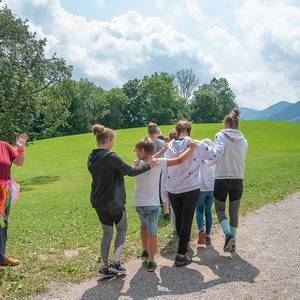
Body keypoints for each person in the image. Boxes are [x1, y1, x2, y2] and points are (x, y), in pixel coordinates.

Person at [87, 124, 158, 278]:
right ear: (108, 139)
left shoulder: (91, 157)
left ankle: (104, 267)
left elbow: (116, 171)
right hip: (114, 202)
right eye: (112, 140)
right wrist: (148, 166)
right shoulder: (110, 157)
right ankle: (116, 263)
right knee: (122, 229)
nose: (113, 143)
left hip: (98, 201)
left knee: (107, 233)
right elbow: (131, 172)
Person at [133, 137, 197, 272]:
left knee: (143, 227)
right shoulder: (158, 163)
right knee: (152, 231)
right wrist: (190, 149)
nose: (136, 153)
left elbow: (149, 160)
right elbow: (179, 160)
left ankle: (145, 252)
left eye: (137, 151)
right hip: (152, 204)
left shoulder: (137, 164)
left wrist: (161, 151)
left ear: (142, 151)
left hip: (138, 203)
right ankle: (151, 261)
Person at [161, 120, 220, 266]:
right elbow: (213, 155)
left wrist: (164, 192)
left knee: (180, 218)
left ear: (177, 130)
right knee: (187, 218)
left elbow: (165, 168)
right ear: (189, 130)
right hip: (190, 187)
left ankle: (184, 246)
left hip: (173, 187)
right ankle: (181, 255)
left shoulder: (169, 146)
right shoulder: (196, 144)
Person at [210, 108, 248, 252]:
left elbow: (216, 154)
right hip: (238, 179)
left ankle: (228, 235)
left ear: (226, 124)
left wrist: (206, 163)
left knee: (220, 210)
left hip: (221, 178)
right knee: (234, 212)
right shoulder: (244, 140)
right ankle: (234, 243)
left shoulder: (220, 135)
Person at [0, 134, 28, 271]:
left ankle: (1, 256)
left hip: (4, 191)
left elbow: (19, 162)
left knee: (2, 223)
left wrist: (20, 149)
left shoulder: (4, 146)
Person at [147, 123, 170, 220]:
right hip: (160, 169)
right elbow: (165, 157)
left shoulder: (146, 143)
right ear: (157, 132)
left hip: (149, 169)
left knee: (153, 188)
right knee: (162, 188)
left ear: (148, 132)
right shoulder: (161, 143)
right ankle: (164, 206)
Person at [196, 138, 215, 246]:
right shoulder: (214, 160)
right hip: (212, 188)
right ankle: (207, 236)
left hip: (201, 188)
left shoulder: (199, 159)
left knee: (199, 210)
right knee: (208, 212)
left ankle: (201, 229)